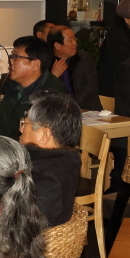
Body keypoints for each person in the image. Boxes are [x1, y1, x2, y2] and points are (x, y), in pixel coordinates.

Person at [19, 92, 83, 226]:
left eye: (25, 123)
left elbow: (21, 224)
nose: (21, 129)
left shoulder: (47, 179)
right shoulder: (64, 160)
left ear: (44, 135)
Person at [0, 35, 67, 140]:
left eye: (15, 57)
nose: (10, 61)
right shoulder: (12, 86)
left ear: (35, 64)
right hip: (4, 146)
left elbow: (40, 139)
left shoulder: (52, 93)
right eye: (11, 56)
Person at [48, 24, 101, 112]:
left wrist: (73, 104)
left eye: (74, 38)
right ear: (57, 45)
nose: (75, 43)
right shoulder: (46, 62)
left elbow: (91, 86)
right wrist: (53, 76)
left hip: (86, 108)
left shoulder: (83, 58)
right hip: (57, 111)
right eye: (70, 40)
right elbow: (43, 91)